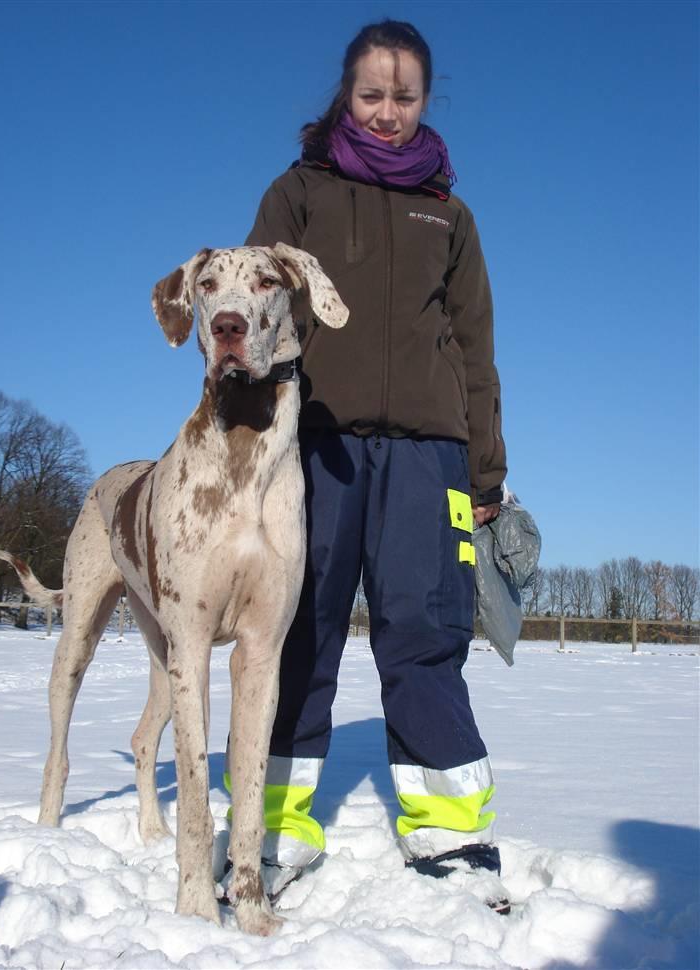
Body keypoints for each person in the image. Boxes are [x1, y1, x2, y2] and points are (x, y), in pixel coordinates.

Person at [237, 19, 509, 911]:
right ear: (345, 95)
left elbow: (474, 346)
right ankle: (272, 824)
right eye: (371, 94)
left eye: (405, 96)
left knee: (427, 629)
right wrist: (247, 446)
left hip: (431, 454)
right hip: (315, 445)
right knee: (298, 624)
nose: (388, 112)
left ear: (426, 100)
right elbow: (254, 307)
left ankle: (450, 827)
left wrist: (485, 470)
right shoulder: (298, 191)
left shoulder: (449, 216)